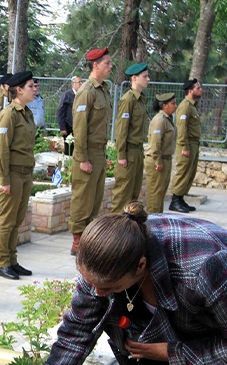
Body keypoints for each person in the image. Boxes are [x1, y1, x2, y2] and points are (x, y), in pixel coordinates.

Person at [42, 200, 227, 365]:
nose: (95, 293)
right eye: (89, 282)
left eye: (109, 287)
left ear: (140, 265)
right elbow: (76, 333)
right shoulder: (103, 264)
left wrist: (171, 352)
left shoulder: (204, 267)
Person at [68, 48, 112, 256]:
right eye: (107, 63)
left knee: (95, 198)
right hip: (87, 153)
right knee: (83, 198)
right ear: (96, 65)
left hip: (99, 152)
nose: (110, 67)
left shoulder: (103, 90)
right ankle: (78, 240)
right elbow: (80, 128)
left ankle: (89, 238)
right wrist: (83, 158)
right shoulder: (86, 91)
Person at [0, 71, 37, 280]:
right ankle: (2, 263)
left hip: (24, 173)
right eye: (31, 86)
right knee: (7, 220)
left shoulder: (26, 113)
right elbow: (1, 149)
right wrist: (3, 180)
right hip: (12, 174)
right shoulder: (9, 114)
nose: (34, 89)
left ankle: (12, 260)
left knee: (17, 220)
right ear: (19, 89)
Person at [110, 63, 150, 213]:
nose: (148, 79)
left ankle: (129, 231)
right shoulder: (128, 100)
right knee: (122, 196)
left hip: (138, 151)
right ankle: (113, 231)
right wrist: (121, 155)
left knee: (133, 196)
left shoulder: (140, 99)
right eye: (145, 76)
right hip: (129, 151)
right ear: (134, 78)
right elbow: (121, 129)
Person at [169, 78, 203, 213]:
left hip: (194, 143)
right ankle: (175, 200)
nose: (201, 90)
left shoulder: (193, 106)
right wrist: (184, 146)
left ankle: (181, 198)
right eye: (198, 88)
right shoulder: (185, 106)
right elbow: (181, 128)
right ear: (190, 91)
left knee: (190, 172)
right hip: (186, 143)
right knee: (183, 172)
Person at [144, 93, 177, 213]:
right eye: (173, 103)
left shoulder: (168, 119)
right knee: (155, 195)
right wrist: (158, 161)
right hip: (157, 160)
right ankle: (152, 224)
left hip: (165, 159)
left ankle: (158, 221)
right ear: (164, 106)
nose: (175, 106)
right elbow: (155, 143)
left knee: (161, 193)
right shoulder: (159, 120)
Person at [57, 76, 82, 156]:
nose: (81, 84)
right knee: (69, 148)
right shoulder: (67, 95)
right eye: (79, 82)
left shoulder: (82, 95)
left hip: (79, 126)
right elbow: (61, 111)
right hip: (68, 126)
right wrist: (62, 127)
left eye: (82, 82)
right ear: (73, 84)